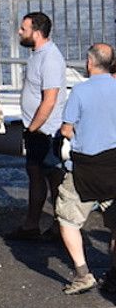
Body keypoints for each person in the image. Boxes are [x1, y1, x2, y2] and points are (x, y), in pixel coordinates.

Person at [56, 43, 116, 294]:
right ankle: (114, 274)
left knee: (68, 219)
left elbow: (67, 128)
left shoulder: (80, 91)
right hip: (114, 163)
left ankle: (83, 274)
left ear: (89, 63)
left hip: (86, 167)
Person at [12, 11, 67, 239]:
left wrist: (33, 128)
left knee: (53, 178)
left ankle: (59, 226)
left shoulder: (50, 58)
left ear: (36, 32)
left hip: (47, 130)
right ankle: (32, 224)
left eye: (23, 29)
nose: (19, 32)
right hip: (36, 128)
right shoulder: (37, 54)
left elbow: (50, 99)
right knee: (35, 173)